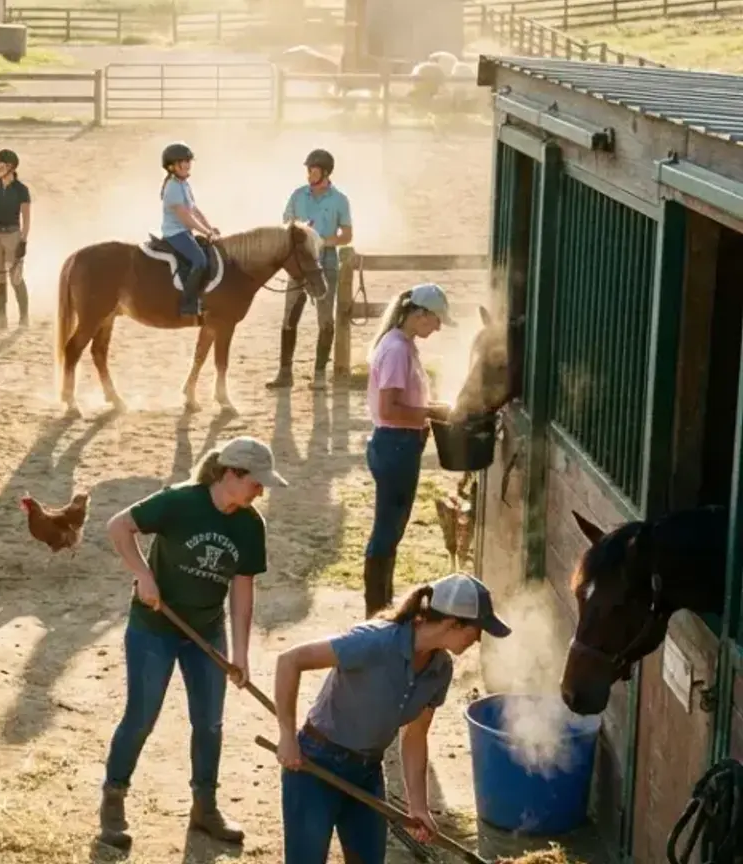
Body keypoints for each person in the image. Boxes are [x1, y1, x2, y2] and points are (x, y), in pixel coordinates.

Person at [98, 436, 287, 847]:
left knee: (210, 723)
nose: (260, 491)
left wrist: (239, 654)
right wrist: (144, 575)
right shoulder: (180, 502)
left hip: (207, 631)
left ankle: (205, 807)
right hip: (154, 628)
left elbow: (241, 592)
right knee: (141, 717)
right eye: (256, 482)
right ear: (232, 474)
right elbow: (118, 526)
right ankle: (114, 798)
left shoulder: (250, 524)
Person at [274, 573, 512, 864]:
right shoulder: (375, 641)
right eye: (477, 630)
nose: (478, 639)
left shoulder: (440, 670)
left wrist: (419, 806)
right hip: (315, 765)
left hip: (366, 773)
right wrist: (287, 736)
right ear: (453, 623)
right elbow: (290, 660)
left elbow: (415, 736)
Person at [363, 283, 454, 616]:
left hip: (400, 443)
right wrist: (431, 412)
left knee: (392, 529)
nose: (438, 327)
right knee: (388, 530)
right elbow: (388, 409)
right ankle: (377, 610)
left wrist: (431, 406)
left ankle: (381, 605)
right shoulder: (398, 350)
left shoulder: (402, 345)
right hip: (396, 443)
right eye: (436, 320)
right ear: (419, 314)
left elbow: (402, 402)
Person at [268, 148, 353, 391]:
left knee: (325, 319)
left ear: (325, 172)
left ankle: (319, 374)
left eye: (313, 169)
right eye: (307, 169)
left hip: (325, 261)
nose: (309, 174)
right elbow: (286, 224)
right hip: (299, 264)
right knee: (289, 316)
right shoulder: (297, 196)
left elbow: (346, 235)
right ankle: (285, 372)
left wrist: (320, 241)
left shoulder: (339, 200)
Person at [159, 142, 221, 319]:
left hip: (185, 232)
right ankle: (188, 304)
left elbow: (195, 210)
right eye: (183, 161)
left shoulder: (184, 184)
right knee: (199, 260)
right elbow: (185, 217)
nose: (187, 164)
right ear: (172, 166)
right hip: (175, 233)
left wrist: (210, 228)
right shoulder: (172, 187)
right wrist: (205, 233)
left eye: (188, 161)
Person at [0, 148, 31, 329]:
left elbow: (26, 218)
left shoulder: (21, 190)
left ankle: (23, 317)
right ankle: (1, 317)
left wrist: (23, 241)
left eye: (1, 164)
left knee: (16, 277)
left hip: (12, 234)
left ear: (11, 167)